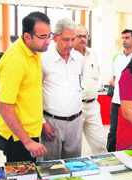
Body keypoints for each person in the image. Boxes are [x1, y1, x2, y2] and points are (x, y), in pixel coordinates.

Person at [0, 12, 51, 162]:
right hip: (16, 137)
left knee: (31, 179)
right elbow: (4, 106)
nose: (48, 41)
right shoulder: (15, 60)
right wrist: (28, 142)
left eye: (49, 35)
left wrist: (41, 123)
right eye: (43, 37)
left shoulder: (34, 51)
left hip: (28, 131)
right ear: (27, 36)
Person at [41, 18, 84, 160]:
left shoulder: (79, 59)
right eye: (66, 39)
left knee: (74, 165)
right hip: (51, 123)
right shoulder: (43, 59)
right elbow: (34, 95)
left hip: (76, 122)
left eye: (73, 39)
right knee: (50, 167)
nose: (71, 44)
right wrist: (42, 122)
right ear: (54, 37)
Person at [73, 25, 107, 155]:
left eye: (84, 36)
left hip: (93, 105)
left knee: (100, 145)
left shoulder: (93, 54)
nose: (82, 39)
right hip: (76, 106)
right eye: (79, 36)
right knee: (74, 147)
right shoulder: (69, 55)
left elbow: (96, 75)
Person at [107, 29, 132, 152]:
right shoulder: (117, 57)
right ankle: (109, 156)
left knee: (130, 132)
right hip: (116, 101)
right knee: (113, 132)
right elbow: (113, 79)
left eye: (127, 38)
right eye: (123, 38)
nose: (124, 40)